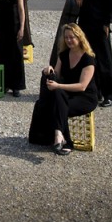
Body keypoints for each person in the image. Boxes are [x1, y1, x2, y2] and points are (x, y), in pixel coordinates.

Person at [58, 0, 112, 107]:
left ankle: (109, 95)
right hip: (84, 29)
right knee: (90, 60)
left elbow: (111, 6)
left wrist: (107, 24)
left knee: (105, 61)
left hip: (100, 28)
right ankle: (96, 93)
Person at [38, 23, 98, 155]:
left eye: (72, 37)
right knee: (57, 97)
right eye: (66, 38)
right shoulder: (63, 55)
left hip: (85, 97)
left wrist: (58, 86)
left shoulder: (88, 59)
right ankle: (60, 137)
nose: (69, 40)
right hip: (67, 94)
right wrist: (48, 70)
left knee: (58, 104)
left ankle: (64, 140)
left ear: (79, 38)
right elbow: (57, 76)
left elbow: (82, 86)